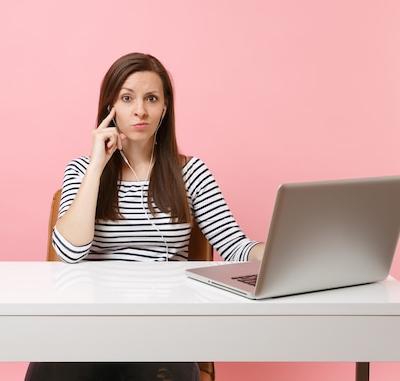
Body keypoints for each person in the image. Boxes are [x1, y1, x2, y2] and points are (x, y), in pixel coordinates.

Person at [25, 53, 265, 381]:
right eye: (127, 98)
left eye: (151, 99)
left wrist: (280, 253)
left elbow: (237, 247)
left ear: (165, 109)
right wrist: (97, 165)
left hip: (162, 326)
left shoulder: (191, 173)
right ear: (110, 108)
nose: (140, 110)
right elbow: (69, 252)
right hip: (90, 325)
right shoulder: (81, 170)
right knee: (58, 369)